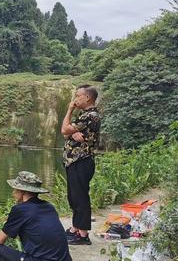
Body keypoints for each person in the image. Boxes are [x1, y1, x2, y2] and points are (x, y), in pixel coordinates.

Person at [0, 171, 72, 261]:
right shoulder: (48, 206)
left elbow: (0, 239)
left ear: (23, 191)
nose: (13, 193)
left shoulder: (20, 210)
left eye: (15, 190)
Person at [60, 84, 101, 245]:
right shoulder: (85, 115)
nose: (75, 99)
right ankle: (76, 228)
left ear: (87, 97)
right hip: (75, 162)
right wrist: (72, 132)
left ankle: (83, 235)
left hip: (81, 161)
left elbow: (64, 129)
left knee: (80, 197)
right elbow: (66, 134)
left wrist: (69, 110)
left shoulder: (90, 116)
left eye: (78, 96)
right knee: (74, 196)